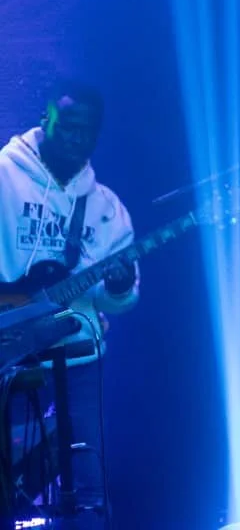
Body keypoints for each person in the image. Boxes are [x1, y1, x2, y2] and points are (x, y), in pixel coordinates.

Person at [0, 80, 139, 528]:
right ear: (46, 121)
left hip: (77, 356)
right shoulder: (5, 175)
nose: (78, 140)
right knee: (9, 480)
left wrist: (118, 287)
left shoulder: (107, 208)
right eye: (68, 128)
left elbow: (120, 301)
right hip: (9, 354)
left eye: (88, 132)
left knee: (86, 481)